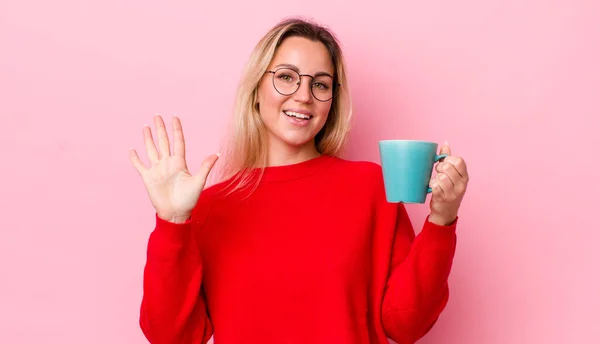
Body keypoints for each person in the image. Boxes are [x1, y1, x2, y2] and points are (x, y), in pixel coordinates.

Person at [129, 17, 469, 344]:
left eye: (320, 84)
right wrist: (173, 223)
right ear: (257, 89)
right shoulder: (208, 207)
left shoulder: (371, 187)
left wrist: (441, 220)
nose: (304, 95)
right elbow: (171, 337)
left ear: (332, 101)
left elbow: (406, 324)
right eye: (287, 77)